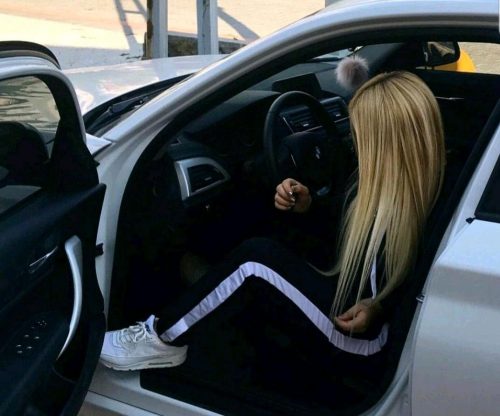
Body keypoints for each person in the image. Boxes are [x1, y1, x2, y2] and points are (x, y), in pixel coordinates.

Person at [100, 71, 445, 371]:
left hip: (361, 338)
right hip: (351, 300)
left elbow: (417, 285)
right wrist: (309, 206)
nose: (353, 145)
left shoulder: (430, 212)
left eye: (359, 138)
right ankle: (210, 292)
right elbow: (350, 237)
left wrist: (379, 307)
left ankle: (162, 339)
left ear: (385, 147)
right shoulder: (404, 186)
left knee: (255, 261)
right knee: (262, 231)